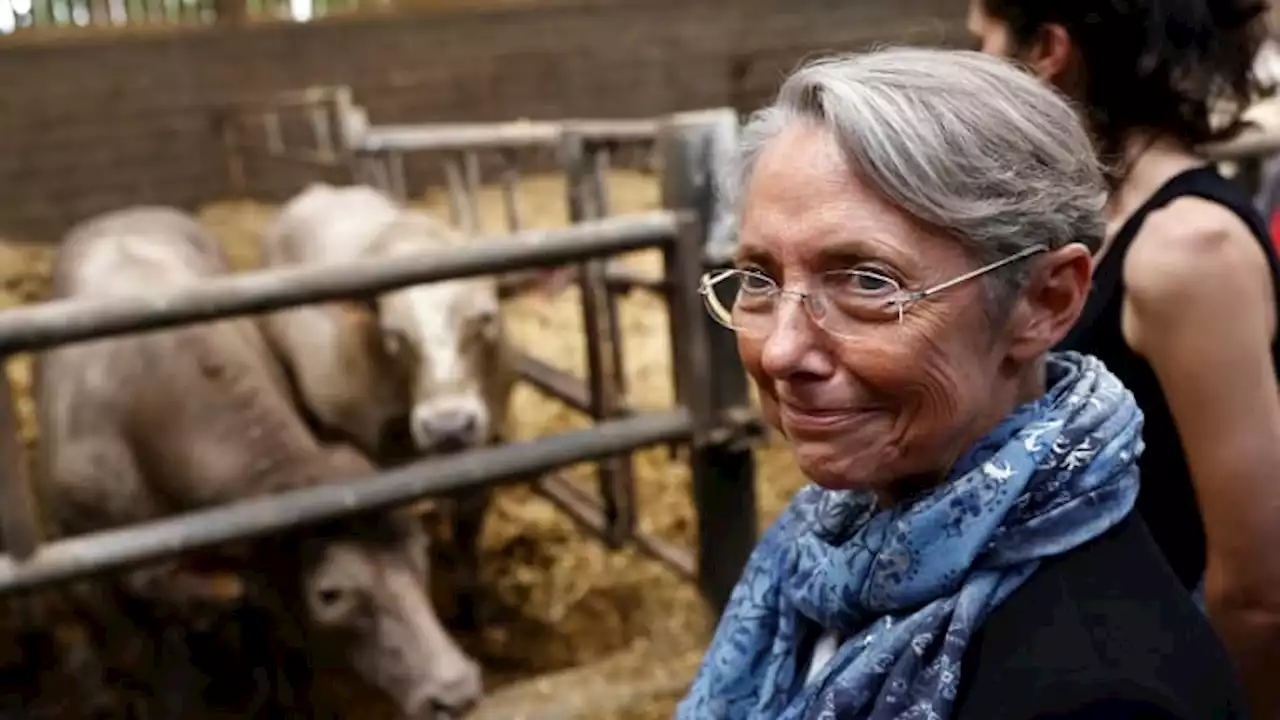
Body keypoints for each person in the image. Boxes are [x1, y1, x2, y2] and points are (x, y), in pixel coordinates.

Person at [676, 47, 1246, 720]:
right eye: (760, 279)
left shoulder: (1099, 695)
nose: (780, 351)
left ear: (1045, 301)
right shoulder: (827, 549)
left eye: (867, 281)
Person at [968, 2, 1280, 715]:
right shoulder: (1089, 216)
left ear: (1047, 48)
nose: (979, 62)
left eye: (982, 40)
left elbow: (1259, 589)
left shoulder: (1188, 249)